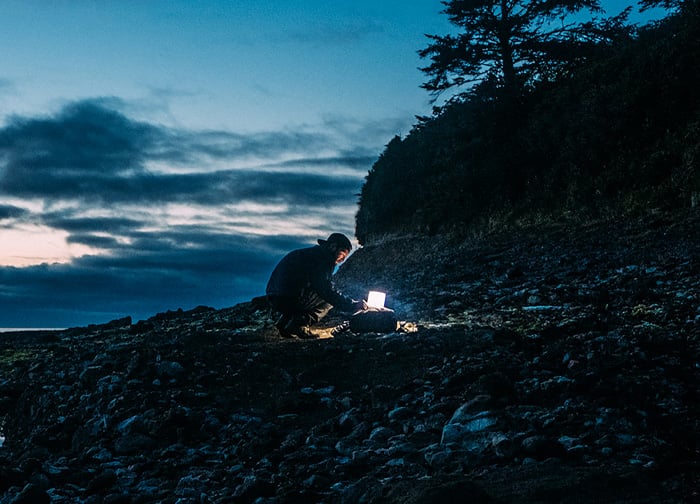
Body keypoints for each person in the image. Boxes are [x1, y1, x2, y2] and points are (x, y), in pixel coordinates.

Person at [266, 233, 367, 339]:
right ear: (333, 247)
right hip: (288, 298)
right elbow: (325, 290)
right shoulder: (324, 259)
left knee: (307, 292)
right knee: (327, 300)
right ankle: (299, 325)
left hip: (274, 297)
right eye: (342, 255)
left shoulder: (308, 254)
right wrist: (352, 305)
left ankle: (283, 324)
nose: (342, 260)